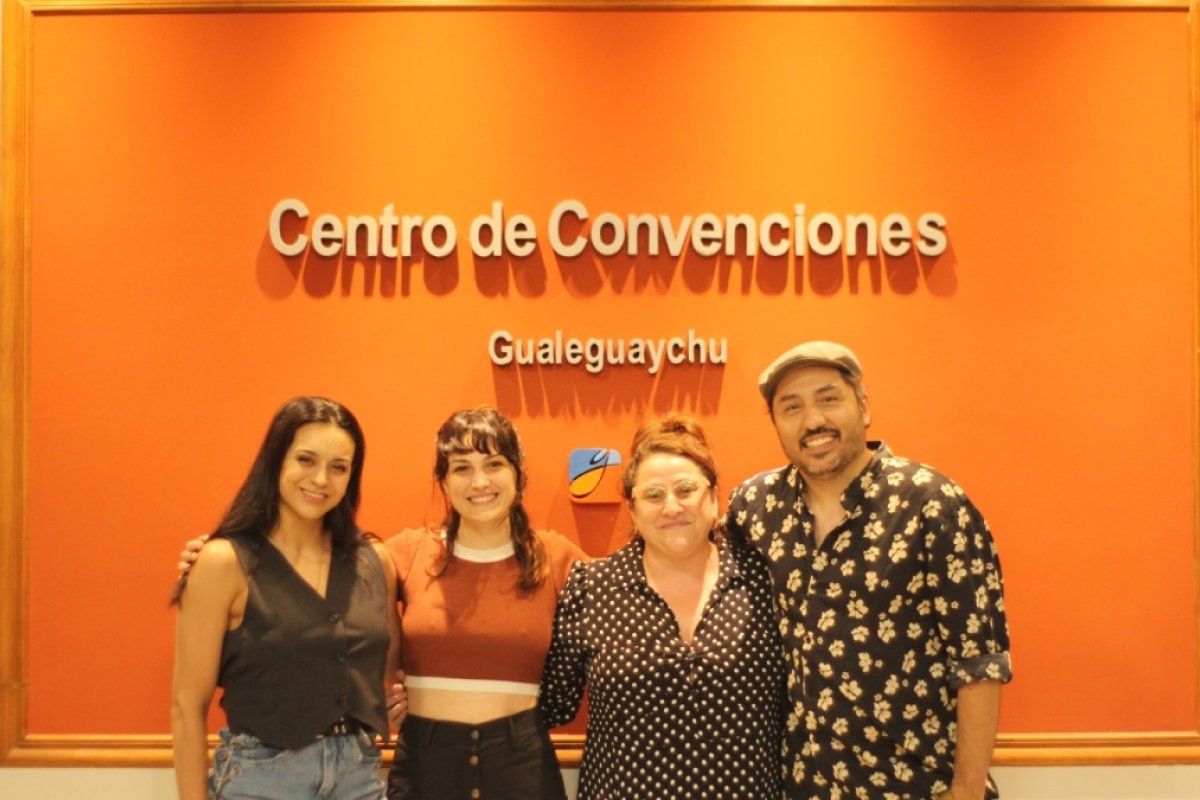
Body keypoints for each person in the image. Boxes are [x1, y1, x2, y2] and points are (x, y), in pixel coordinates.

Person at [725, 341, 1012, 800]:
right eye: (791, 407)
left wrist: (967, 791)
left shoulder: (931, 503)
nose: (813, 420)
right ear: (776, 423)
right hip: (803, 787)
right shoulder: (755, 507)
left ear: (863, 407)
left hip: (918, 786)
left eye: (828, 399)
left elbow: (979, 662)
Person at [538, 414, 786, 800]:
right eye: (653, 495)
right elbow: (550, 703)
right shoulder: (592, 588)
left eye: (686, 489)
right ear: (633, 510)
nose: (671, 507)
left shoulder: (765, 580)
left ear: (714, 495)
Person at [170, 396, 400, 800]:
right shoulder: (224, 562)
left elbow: (394, 670)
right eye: (306, 460)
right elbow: (187, 707)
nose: (321, 480)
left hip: (358, 778)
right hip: (262, 778)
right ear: (276, 460)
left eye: (339, 467)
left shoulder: (374, 562)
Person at [384, 406, 586, 800]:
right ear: (443, 482)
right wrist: (380, 679)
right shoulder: (405, 552)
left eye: (494, 463)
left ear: (518, 474)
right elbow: (337, 613)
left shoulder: (556, 556)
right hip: (425, 769)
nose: (479, 481)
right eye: (461, 468)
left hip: (523, 768)